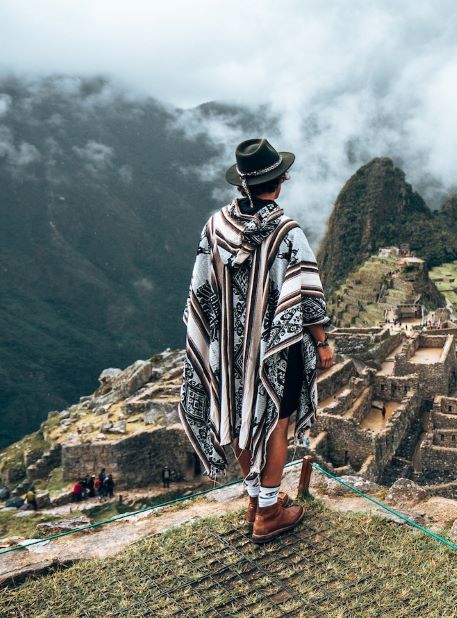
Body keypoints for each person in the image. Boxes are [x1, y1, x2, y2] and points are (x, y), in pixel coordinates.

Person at [179, 138, 333, 544]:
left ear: (241, 184)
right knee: (275, 425)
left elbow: (201, 288)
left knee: (240, 417)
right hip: (277, 352)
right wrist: (321, 343)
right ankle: (268, 512)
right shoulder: (287, 233)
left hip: (228, 349)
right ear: (278, 182)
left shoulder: (214, 226)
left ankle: (254, 499)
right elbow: (308, 295)